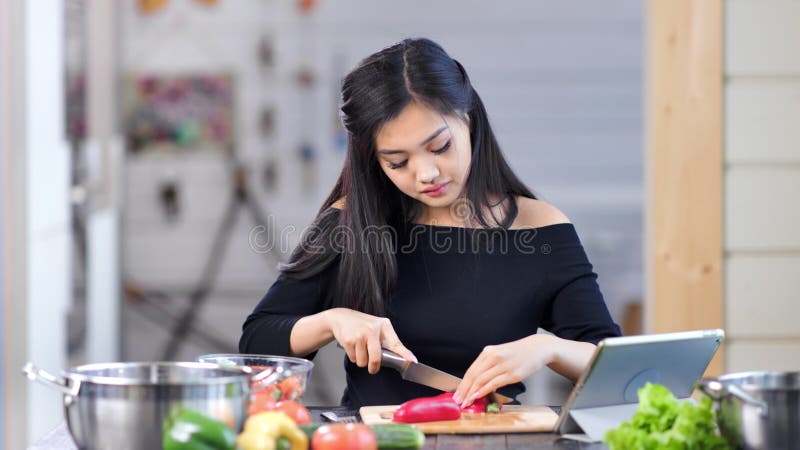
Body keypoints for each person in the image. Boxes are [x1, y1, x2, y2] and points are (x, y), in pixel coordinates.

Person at [240, 38, 620, 409]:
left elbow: (611, 365)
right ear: (374, 160)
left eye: (440, 147)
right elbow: (256, 340)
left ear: (468, 123)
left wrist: (548, 348)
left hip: (495, 438)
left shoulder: (540, 228)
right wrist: (332, 321)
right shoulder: (352, 222)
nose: (426, 173)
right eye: (397, 162)